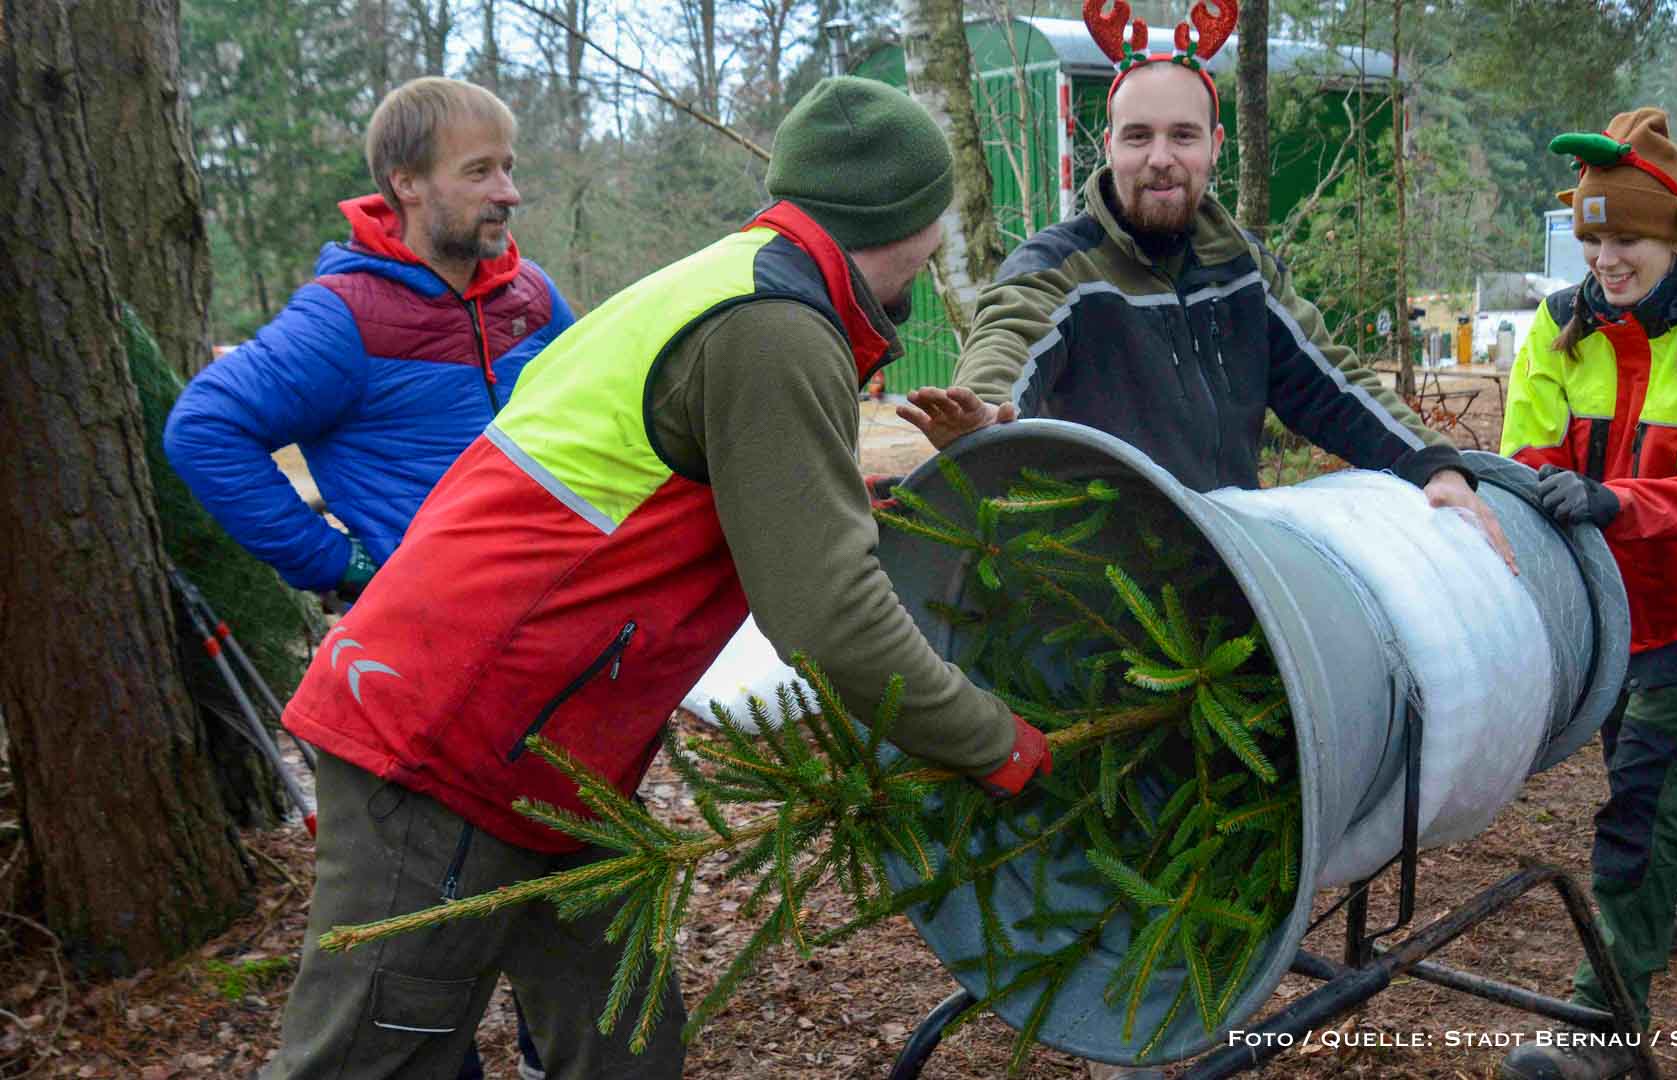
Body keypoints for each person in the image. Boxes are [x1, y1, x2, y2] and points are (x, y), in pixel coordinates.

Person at [260, 76, 1052, 1080]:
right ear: (914, 217)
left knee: (624, 1044)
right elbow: (828, 611)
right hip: (447, 743)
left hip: (560, 760)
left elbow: (770, 506)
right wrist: (990, 741)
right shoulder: (773, 325)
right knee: (369, 1061)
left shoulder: (737, 284)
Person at [165, 76, 567, 1080]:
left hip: (555, 677)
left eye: (509, 167)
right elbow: (203, 430)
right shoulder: (344, 315)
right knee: (414, 954)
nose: (508, 192)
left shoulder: (532, 295)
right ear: (406, 185)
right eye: (480, 171)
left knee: (568, 938)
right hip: (423, 688)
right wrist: (339, 564)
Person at [900, 0, 1513, 575]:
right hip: (1093, 595)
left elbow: (1333, 384)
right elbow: (1009, 341)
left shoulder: (1244, 271)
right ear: (1108, 144)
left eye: (1183, 136)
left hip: (1235, 580)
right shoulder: (1060, 268)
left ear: (1215, 147)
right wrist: (982, 415)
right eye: (1138, 136)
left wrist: (1434, 464)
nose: (1160, 157)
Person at [1495, 108, 1677, 1080]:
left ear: (1672, 234)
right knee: (1655, 771)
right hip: (1613, 602)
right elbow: (1527, 445)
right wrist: (1544, 492)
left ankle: (1605, 1026)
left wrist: (1610, 499)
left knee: (1643, 793)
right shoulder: (1562, 326)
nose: (1606, 261)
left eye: (1625, 239)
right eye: (1593, 239)